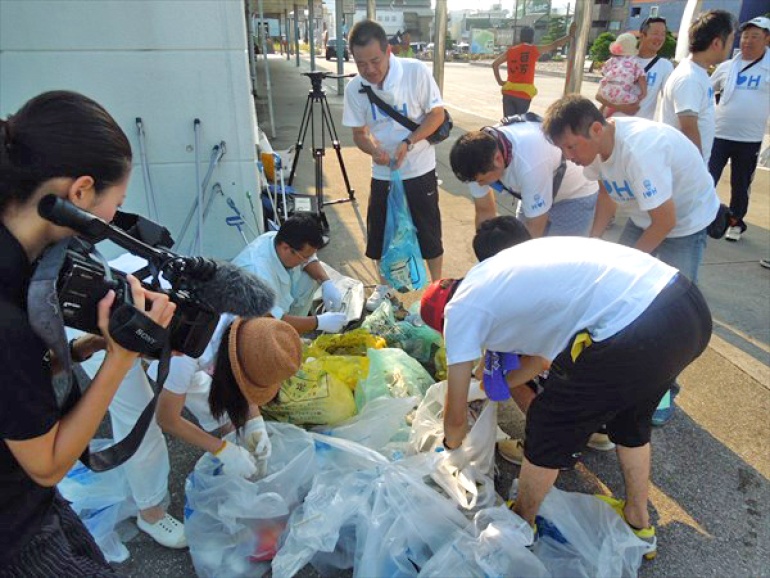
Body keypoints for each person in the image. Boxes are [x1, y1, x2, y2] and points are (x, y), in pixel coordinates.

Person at [420, 222, 712, 558]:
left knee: (549, 422)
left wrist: (448, 450)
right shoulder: (496, 278)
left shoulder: (459, 312)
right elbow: (541, 361)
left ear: (442, 322)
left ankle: (520, 523)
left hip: (636, 326)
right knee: (630, 422)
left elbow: (455, 417)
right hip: (686, 308)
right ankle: (637, 521)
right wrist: (489, 387)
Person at [0, 91, 176, 577]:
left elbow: (16, 385)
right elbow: (48, 464)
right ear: (79, 192)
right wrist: (120, 359)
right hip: (15, 535)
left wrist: (85, 346)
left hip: (33, 507)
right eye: (114, 206)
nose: (109, 223)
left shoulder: (20, 267)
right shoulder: (8, 319)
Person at [543, 95, 719, 425]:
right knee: (621, 299)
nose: (568, 157)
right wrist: (593, 244)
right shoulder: (595, 148)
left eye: (570, 147)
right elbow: (608, 193)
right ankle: (627, 371)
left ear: (596, 129)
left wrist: (629, 267)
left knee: (671, 313)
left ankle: (664, 389)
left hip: (685, 221)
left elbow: (665, 222)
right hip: (645, 217)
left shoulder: (641, 150)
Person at [470, 217, 616, 464]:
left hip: (583, 374)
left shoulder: (519, 292)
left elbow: (541, 360)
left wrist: (486, 384)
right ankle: (598, 430)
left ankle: (550, 440)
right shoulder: (555, 259)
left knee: (508, 370)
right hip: (626, 358)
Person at [342, 19, 446, 311]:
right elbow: (359, 133)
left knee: (428, 230)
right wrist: (374, 150)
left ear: (388, 51)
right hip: (383, 173)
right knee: (379, 231)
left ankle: (436, 288)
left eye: (375, 60)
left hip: (420, 169)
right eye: (361, 64)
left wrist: (408, 142)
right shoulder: (355, 88)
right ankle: (384, 289)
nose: (370, 70)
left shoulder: (415, 71)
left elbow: (436, 115)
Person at [152, 316, 302, 479]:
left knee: (209, 399)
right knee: (142, 442)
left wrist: (255, 422)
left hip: (178, 337)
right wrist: (223, 450)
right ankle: (149, 502)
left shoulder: (252, 326)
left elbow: (245, 368)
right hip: (129, 338)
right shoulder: (185, 357)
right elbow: (167, 419)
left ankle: (227, 427)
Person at [450, 120, 598, 237]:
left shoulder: (528, 162)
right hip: (533, 188)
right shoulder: (474, 162)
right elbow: (484, 212)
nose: (480, 185)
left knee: (560, 260)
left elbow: (535, 226)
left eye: (482, 181)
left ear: (498, 159)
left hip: (573, 195)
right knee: (517, 243)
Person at [708, 16, 770, 242]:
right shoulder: (727, 67)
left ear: (767, 39)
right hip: (719, 134)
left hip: (749, 139)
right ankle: (704, 218)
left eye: (755, 36)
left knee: (740, 184)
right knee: (707, 178)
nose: (748, 41)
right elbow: (706, 90)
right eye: (745, 36)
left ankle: (735, 223)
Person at [232, 214, 347, 334]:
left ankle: (294, 332)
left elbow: (311, 259)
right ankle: (287, 335)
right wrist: (318, 322)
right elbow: (270, 319)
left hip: (277, 303)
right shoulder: (257, 271)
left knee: (309, 276)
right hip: (250, 328)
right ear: (286, 248)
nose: (306, 261)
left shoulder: (280, 239)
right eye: (304, 257)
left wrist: (326, 282)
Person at [659, 10, 736, 164]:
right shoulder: (690, 78)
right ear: (717, 43)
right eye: (730, 41)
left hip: (685, 168)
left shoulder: (698, 73)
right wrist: (699, 171)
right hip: (683, 170)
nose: (731, 47)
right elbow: (688, 127)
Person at [492, 24, 575, 116]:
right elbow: (554, 44)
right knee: (519, 124)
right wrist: (570, 36)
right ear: (532, 37)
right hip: (524, 94)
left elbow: (495, 64)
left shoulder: (511, 51)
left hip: (508, 91)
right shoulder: (534, 50)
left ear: (520, 37)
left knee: (507, 124)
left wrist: (500, 81)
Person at [597, 33, 648, 118]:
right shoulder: (634, 61)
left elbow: (603, 72)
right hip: (622, 94)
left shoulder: (611, 60)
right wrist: (644, 92)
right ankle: (616, 110)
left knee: (611, 101)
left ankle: (608, 112)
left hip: (606, 92)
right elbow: (641, 76)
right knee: (635, 103)